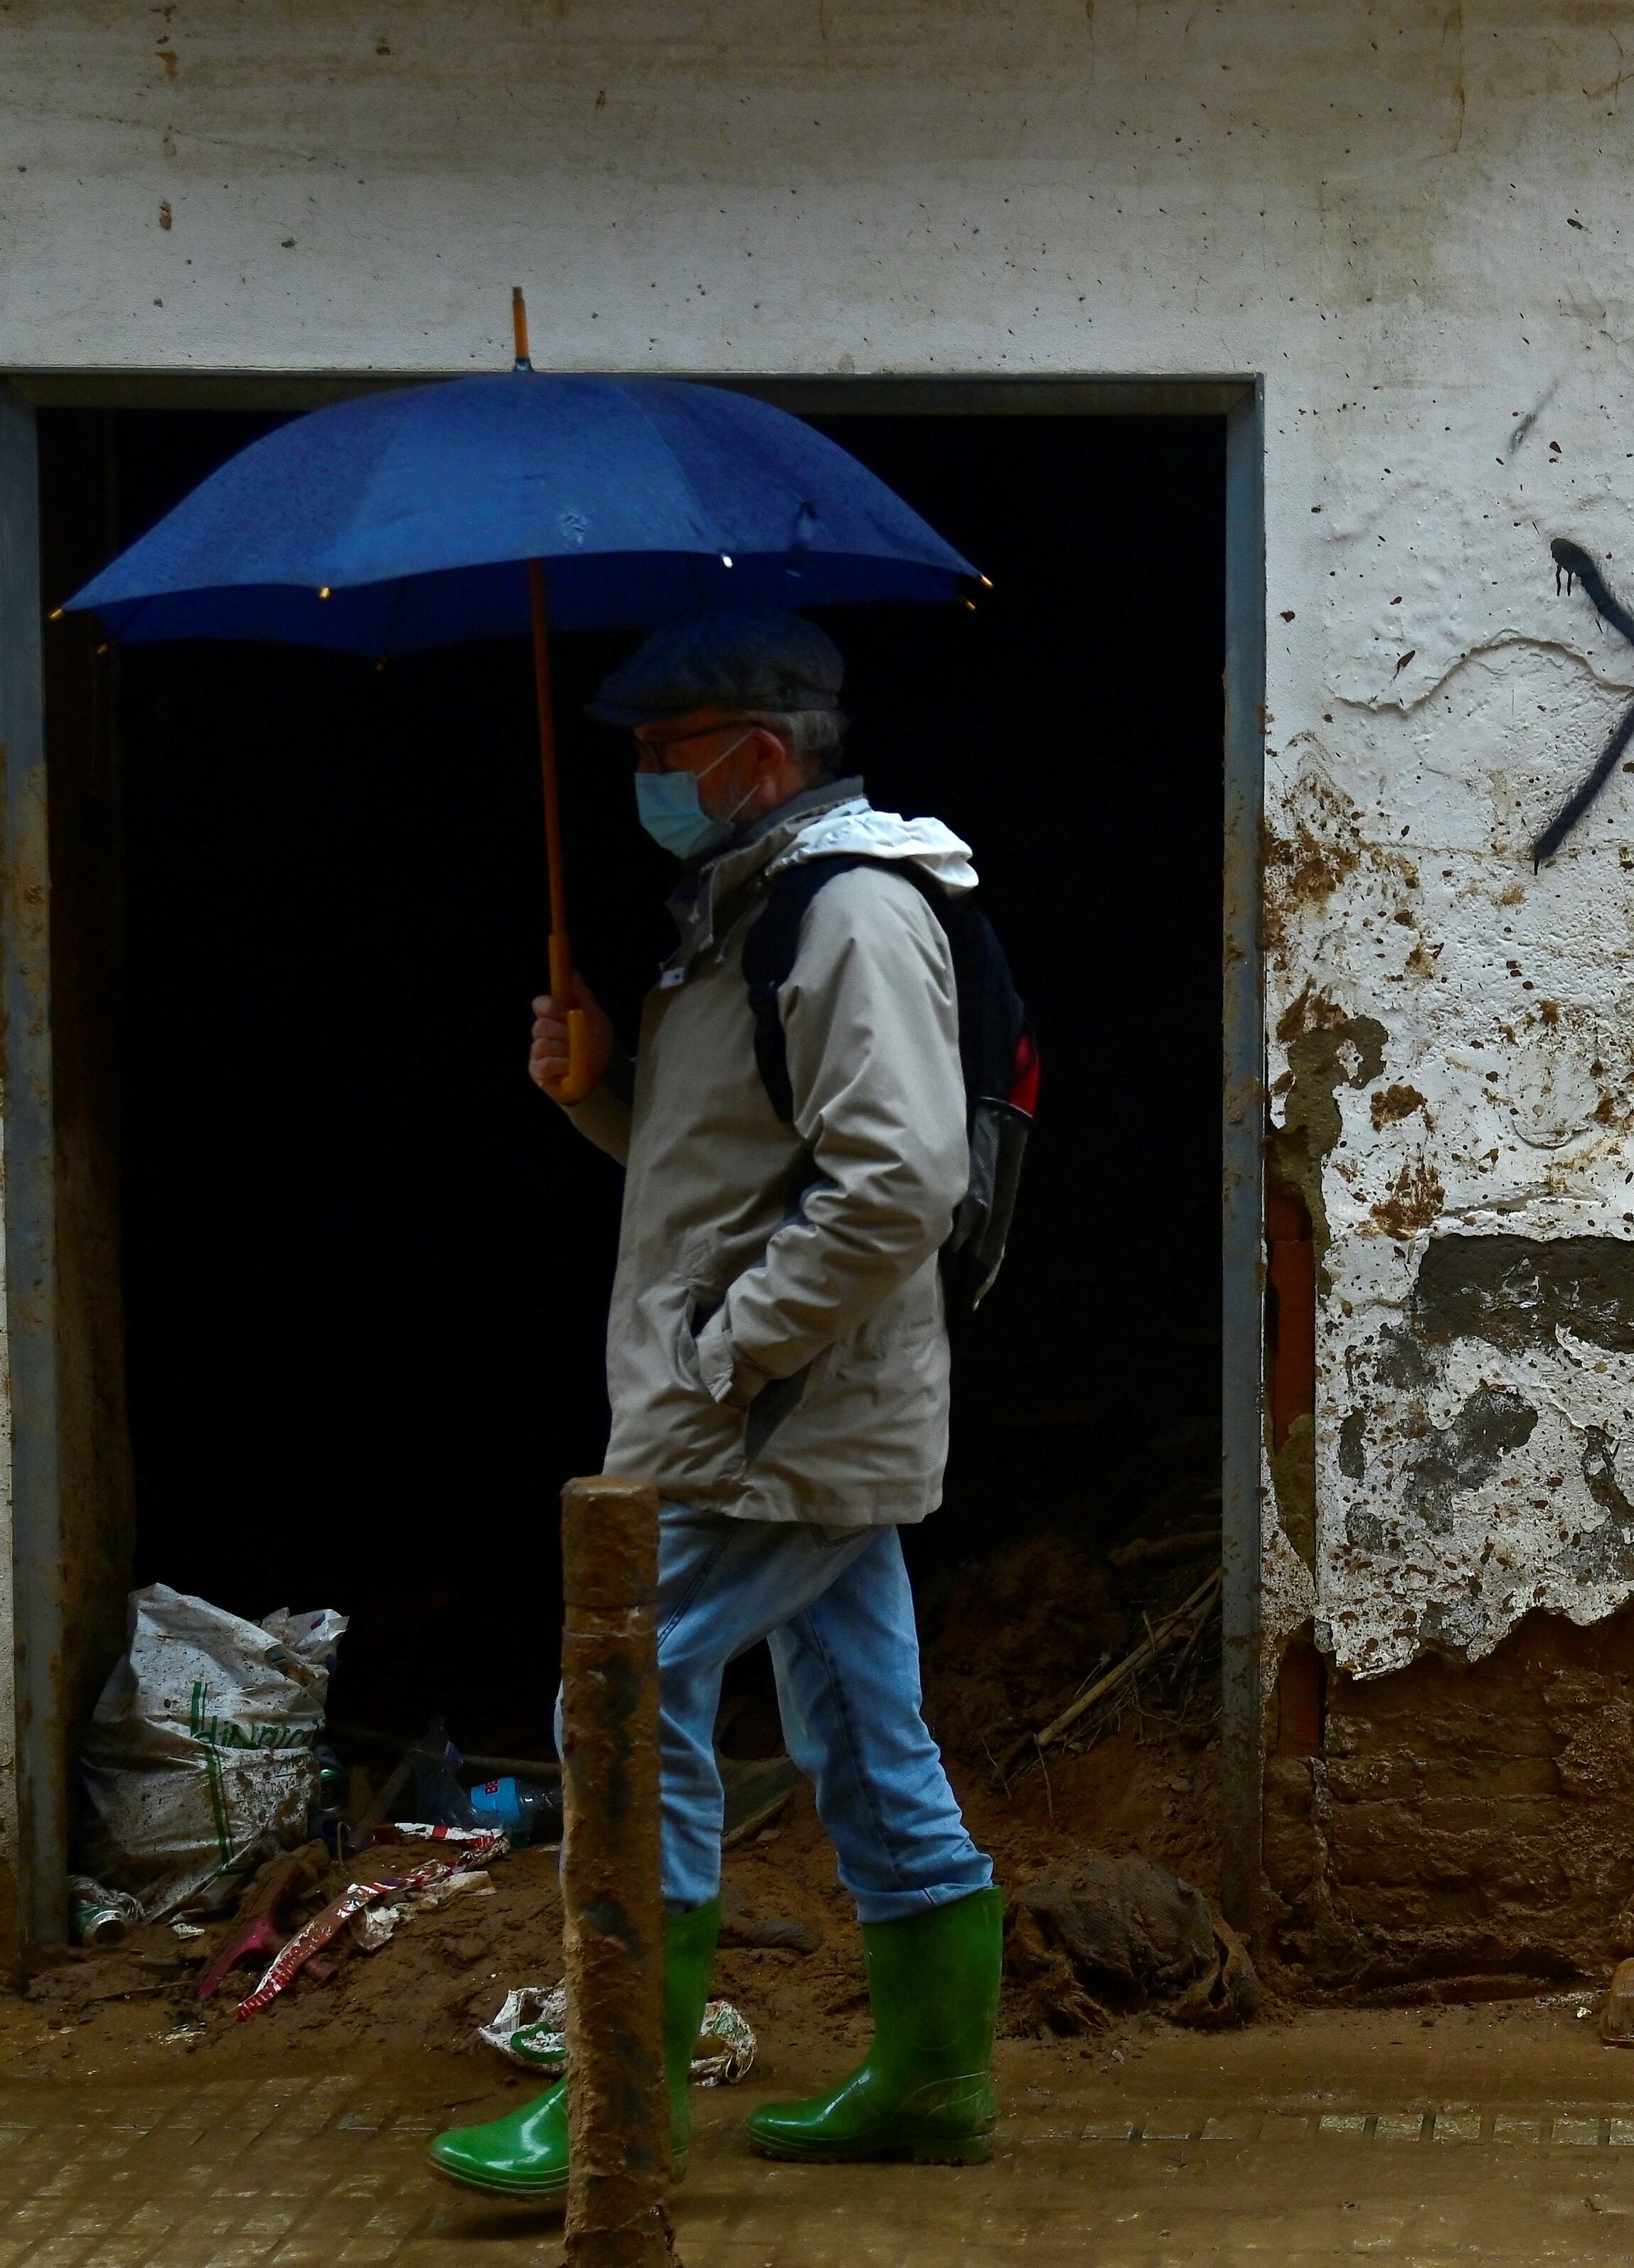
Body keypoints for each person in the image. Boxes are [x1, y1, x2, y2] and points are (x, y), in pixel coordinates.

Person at [429, 611, 1004, 2196]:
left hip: (774, 1424)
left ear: (759, 755)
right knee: (862, 1733)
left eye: (662, 755)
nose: (641, 782)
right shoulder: (747, 912)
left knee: (618, 1704)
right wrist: (596, 1086)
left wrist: (730, 1353)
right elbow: (729, 1185)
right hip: (784, 1414)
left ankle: (620, 2097)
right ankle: (935, 2079)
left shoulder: (847, 914)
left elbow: (901, 1179)